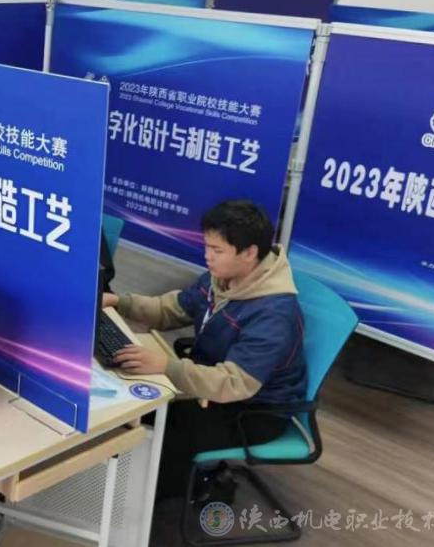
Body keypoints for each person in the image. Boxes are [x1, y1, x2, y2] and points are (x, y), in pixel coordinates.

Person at [102, 200, 306, 499]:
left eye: (217, 250)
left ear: (249, 253)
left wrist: (167, 367)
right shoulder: (222, 278)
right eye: (207, 246)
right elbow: (174, 308)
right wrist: (121, 302)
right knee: (136, 404)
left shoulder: (273, 314)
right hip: (211, 386)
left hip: (253, 411)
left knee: (163, 428)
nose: (207, 256)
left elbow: (235, 384)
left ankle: (174, 495)